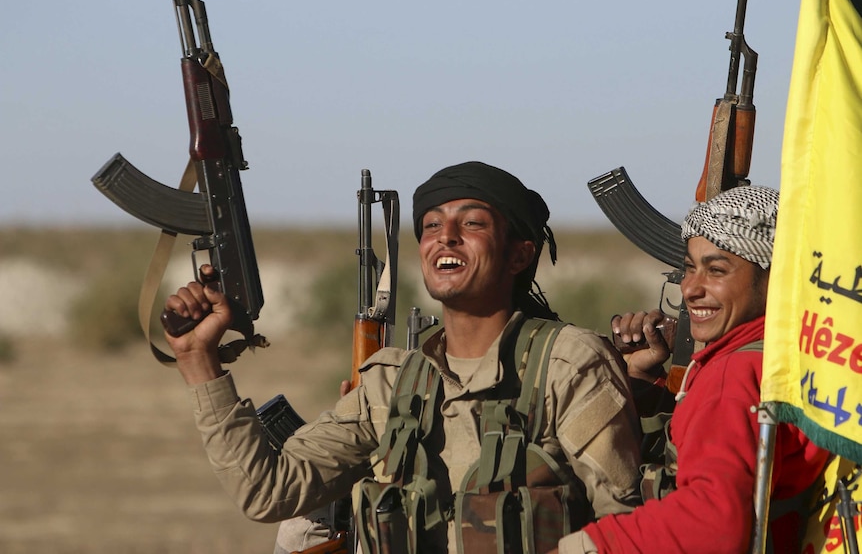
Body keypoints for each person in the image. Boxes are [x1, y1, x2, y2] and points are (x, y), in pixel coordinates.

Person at [164, 161, 644, 553]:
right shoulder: (392, 383)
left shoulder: (569, 364)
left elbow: (626, 526)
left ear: (520, 255)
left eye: (471, 223)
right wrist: (198, 359)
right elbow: (268, 489)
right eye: (431, 225)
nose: (445, 236)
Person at [557, 185, 832, 554]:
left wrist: (587, 547)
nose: (690, 289)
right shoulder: (802, 354)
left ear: (776, 279)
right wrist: (642, 382)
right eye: (689, 268)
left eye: (716, 270)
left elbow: (712, 523)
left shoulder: (734, 373)